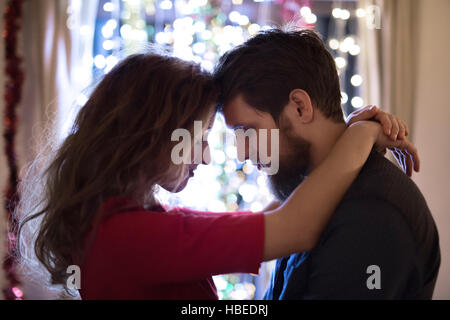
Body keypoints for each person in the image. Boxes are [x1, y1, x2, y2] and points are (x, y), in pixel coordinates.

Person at [17, 51, 416, 300]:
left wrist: (338, 140)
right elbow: (294, 227)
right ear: (154, 134)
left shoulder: (123, 223)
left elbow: (278, 216)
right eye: (199, 138)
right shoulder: (131, 236)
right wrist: (359, 133)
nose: (205, 156)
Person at [213, 28, 440, 299]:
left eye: (247, 131)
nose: (242, 153)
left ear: (300, 106)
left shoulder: (370, 214)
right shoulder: (310, 197)